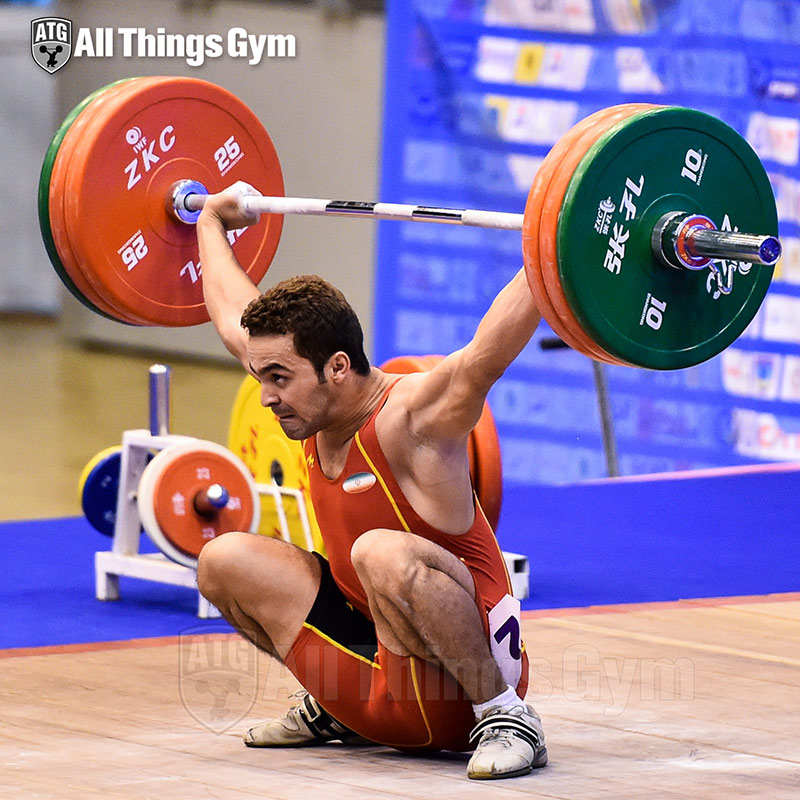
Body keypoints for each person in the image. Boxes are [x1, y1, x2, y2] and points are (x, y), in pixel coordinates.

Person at [195, 182, 547, 780]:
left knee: (376, 551)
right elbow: (234, 320)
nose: (266, 397)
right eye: (262, 376)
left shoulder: (411, 419)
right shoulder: (309, 406)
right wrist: (209, 221)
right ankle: (336, 707)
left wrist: (554, 252)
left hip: (456, 696)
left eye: (278, 377)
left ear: (337, 367)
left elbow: (483, 356)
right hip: (381, 671)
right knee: (221, 559)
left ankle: (511, 720)